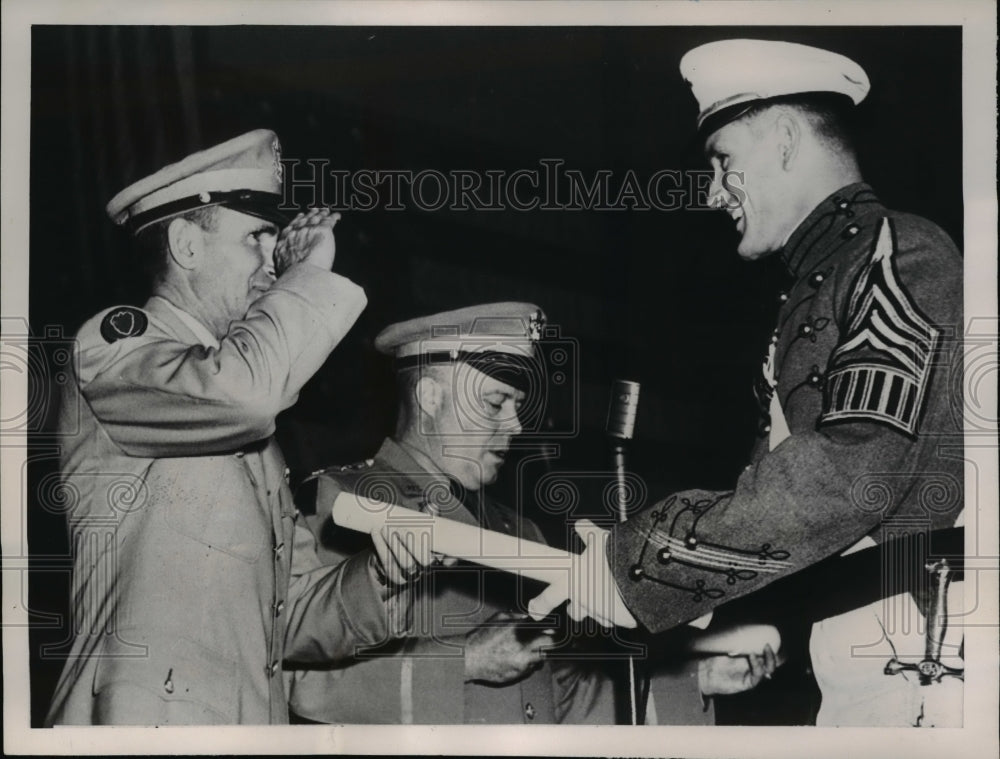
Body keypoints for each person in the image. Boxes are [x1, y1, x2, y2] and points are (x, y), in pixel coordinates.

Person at [529, 39, 964, 727]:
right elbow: (793, 509)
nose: (711, 192)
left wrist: (638, 561)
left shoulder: (898, 253)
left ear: (786, 139)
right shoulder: (822, 284)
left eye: (723, 161)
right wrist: (718, 624)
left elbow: (850, 476)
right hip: (865, 645)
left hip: (931, 646)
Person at [45, 130, 428, 726]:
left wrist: (376, 574)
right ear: (186, 245)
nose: (274, 262)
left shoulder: (252, 430)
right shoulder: (115, 347)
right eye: (256, 237)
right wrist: (311, 273)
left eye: (275, 241)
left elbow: (289, 613)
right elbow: (244, 395)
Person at [286, 302, 620, 724]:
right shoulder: (346, 502)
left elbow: (564, 690)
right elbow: (305, 684)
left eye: (516, 405)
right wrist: (466, 661)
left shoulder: (522, 530)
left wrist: (691, 676)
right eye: (496, 403)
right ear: (430, 397)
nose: (515, 426)